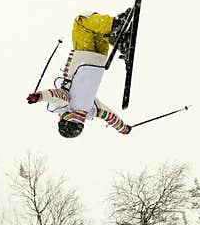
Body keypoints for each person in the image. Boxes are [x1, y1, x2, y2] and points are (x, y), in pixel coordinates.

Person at [26, 10, 133, 138]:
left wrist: (123, 128)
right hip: (83, 58)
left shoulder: (91, 109)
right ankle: (116, 25)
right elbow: (57, 96)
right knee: (81, 23)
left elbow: (109, 116)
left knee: (99, 32)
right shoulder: (67, 106)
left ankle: (121, 41)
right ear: (64, 121)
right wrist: (39, 96)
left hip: (99, 61)